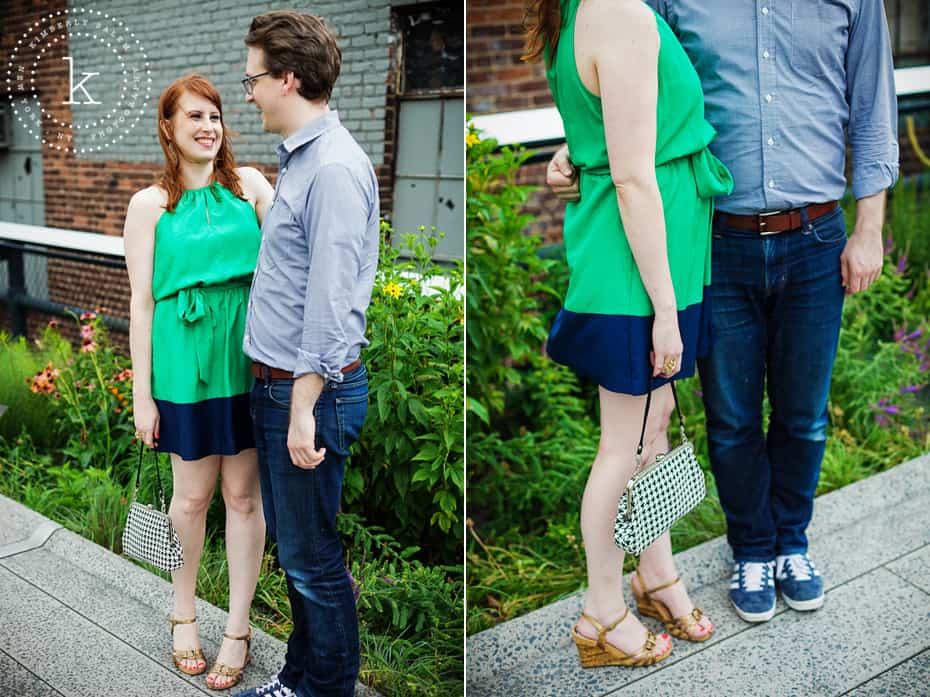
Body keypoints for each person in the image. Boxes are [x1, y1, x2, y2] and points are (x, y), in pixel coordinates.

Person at [548, 0, 899, 622]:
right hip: (714, 240)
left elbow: (872, 107)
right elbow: (626, 82)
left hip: (816, 235)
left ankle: (793, 543)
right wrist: (577, 150)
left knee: (804, 414)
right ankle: (752, 551)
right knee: (732, 418)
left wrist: (870, 227)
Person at [525, 0, 733, 667]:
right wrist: (666, 310)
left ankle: (656, 573)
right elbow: (633, 173)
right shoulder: (614, 10)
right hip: (641, 264)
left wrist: (568, 154)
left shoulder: (580, 9)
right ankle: (602, 611)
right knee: (624, 442)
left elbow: (610, 121)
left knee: (654, 420)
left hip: (647, 250)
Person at [232, 11, 379, 697]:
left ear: (288, 78)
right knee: (299, 556)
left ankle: (328, 687)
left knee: (312, 559)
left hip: (307, 391)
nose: (249, 92)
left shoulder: (334, 169)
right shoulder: (303, 159)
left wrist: (301, 410)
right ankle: (299, 677)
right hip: (283, 387)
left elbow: (330, 305)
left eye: (254, 77)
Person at [124, 74, 275, 690]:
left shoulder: (252, 187)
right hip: (184, 361)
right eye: (194, 117)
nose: (208, 126)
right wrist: (142, 395)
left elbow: (291, 262)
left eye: (215, 116)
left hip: (246, 356)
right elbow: (139, 302)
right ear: (169, 128)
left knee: (244, 497)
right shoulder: (150, 205)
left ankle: (237, 628)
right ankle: (183, 615)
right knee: (190, 498)